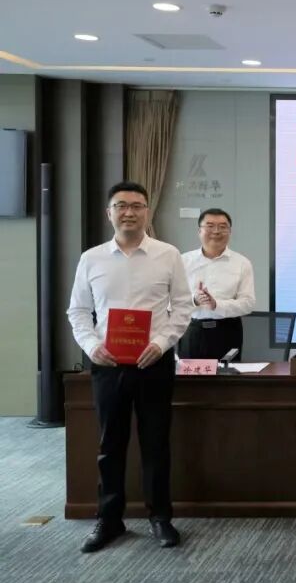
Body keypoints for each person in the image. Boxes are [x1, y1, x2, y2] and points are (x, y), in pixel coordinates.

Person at [66, 181, 194, 553]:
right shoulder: (92, 258)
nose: (129, 212)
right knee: (110, 444)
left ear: (147, 212)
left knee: (156, 443)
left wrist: (161, 343)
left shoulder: (168, 255)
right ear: (109, 213)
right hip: (108, 363)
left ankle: (160, 517)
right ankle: (109, 519)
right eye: (121, 205)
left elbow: (182, 307)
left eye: (137, 205)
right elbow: (78, 311)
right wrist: (92, 346)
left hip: (154, 361)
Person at [179, 208, 256, 360]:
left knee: (227, 375)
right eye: (210, 226)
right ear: (199, 231)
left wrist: (217, 305)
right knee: (191, 375)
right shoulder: (183, 261)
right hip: (192, 330)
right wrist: (194, 300)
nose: (216, 231)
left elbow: (248, 304)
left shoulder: (242, 263)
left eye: (222, 227)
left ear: (230, 231)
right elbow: (169, 303)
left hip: (227, 331)